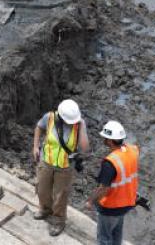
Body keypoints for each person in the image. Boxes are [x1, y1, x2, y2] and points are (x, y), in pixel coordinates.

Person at [32, 99, 89, 236]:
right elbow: (39, 127)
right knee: (42, 189)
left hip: (65, 167)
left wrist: (81, 126)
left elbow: (85, 148)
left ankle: (58, 220)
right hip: (46, 162)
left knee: (60, 196)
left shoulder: (78, 125)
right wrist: (35, 146)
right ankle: (45, 209)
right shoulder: (50, 117)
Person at [86, 121, 139, 245]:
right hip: (127, 202)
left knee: (104, 238)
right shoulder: (133, 150)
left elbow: (103, 189)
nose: (104, 139)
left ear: (110, 140)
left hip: (111, 206)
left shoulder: (110, 163)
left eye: (105, 137)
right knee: (116, 233)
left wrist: (90, 201)